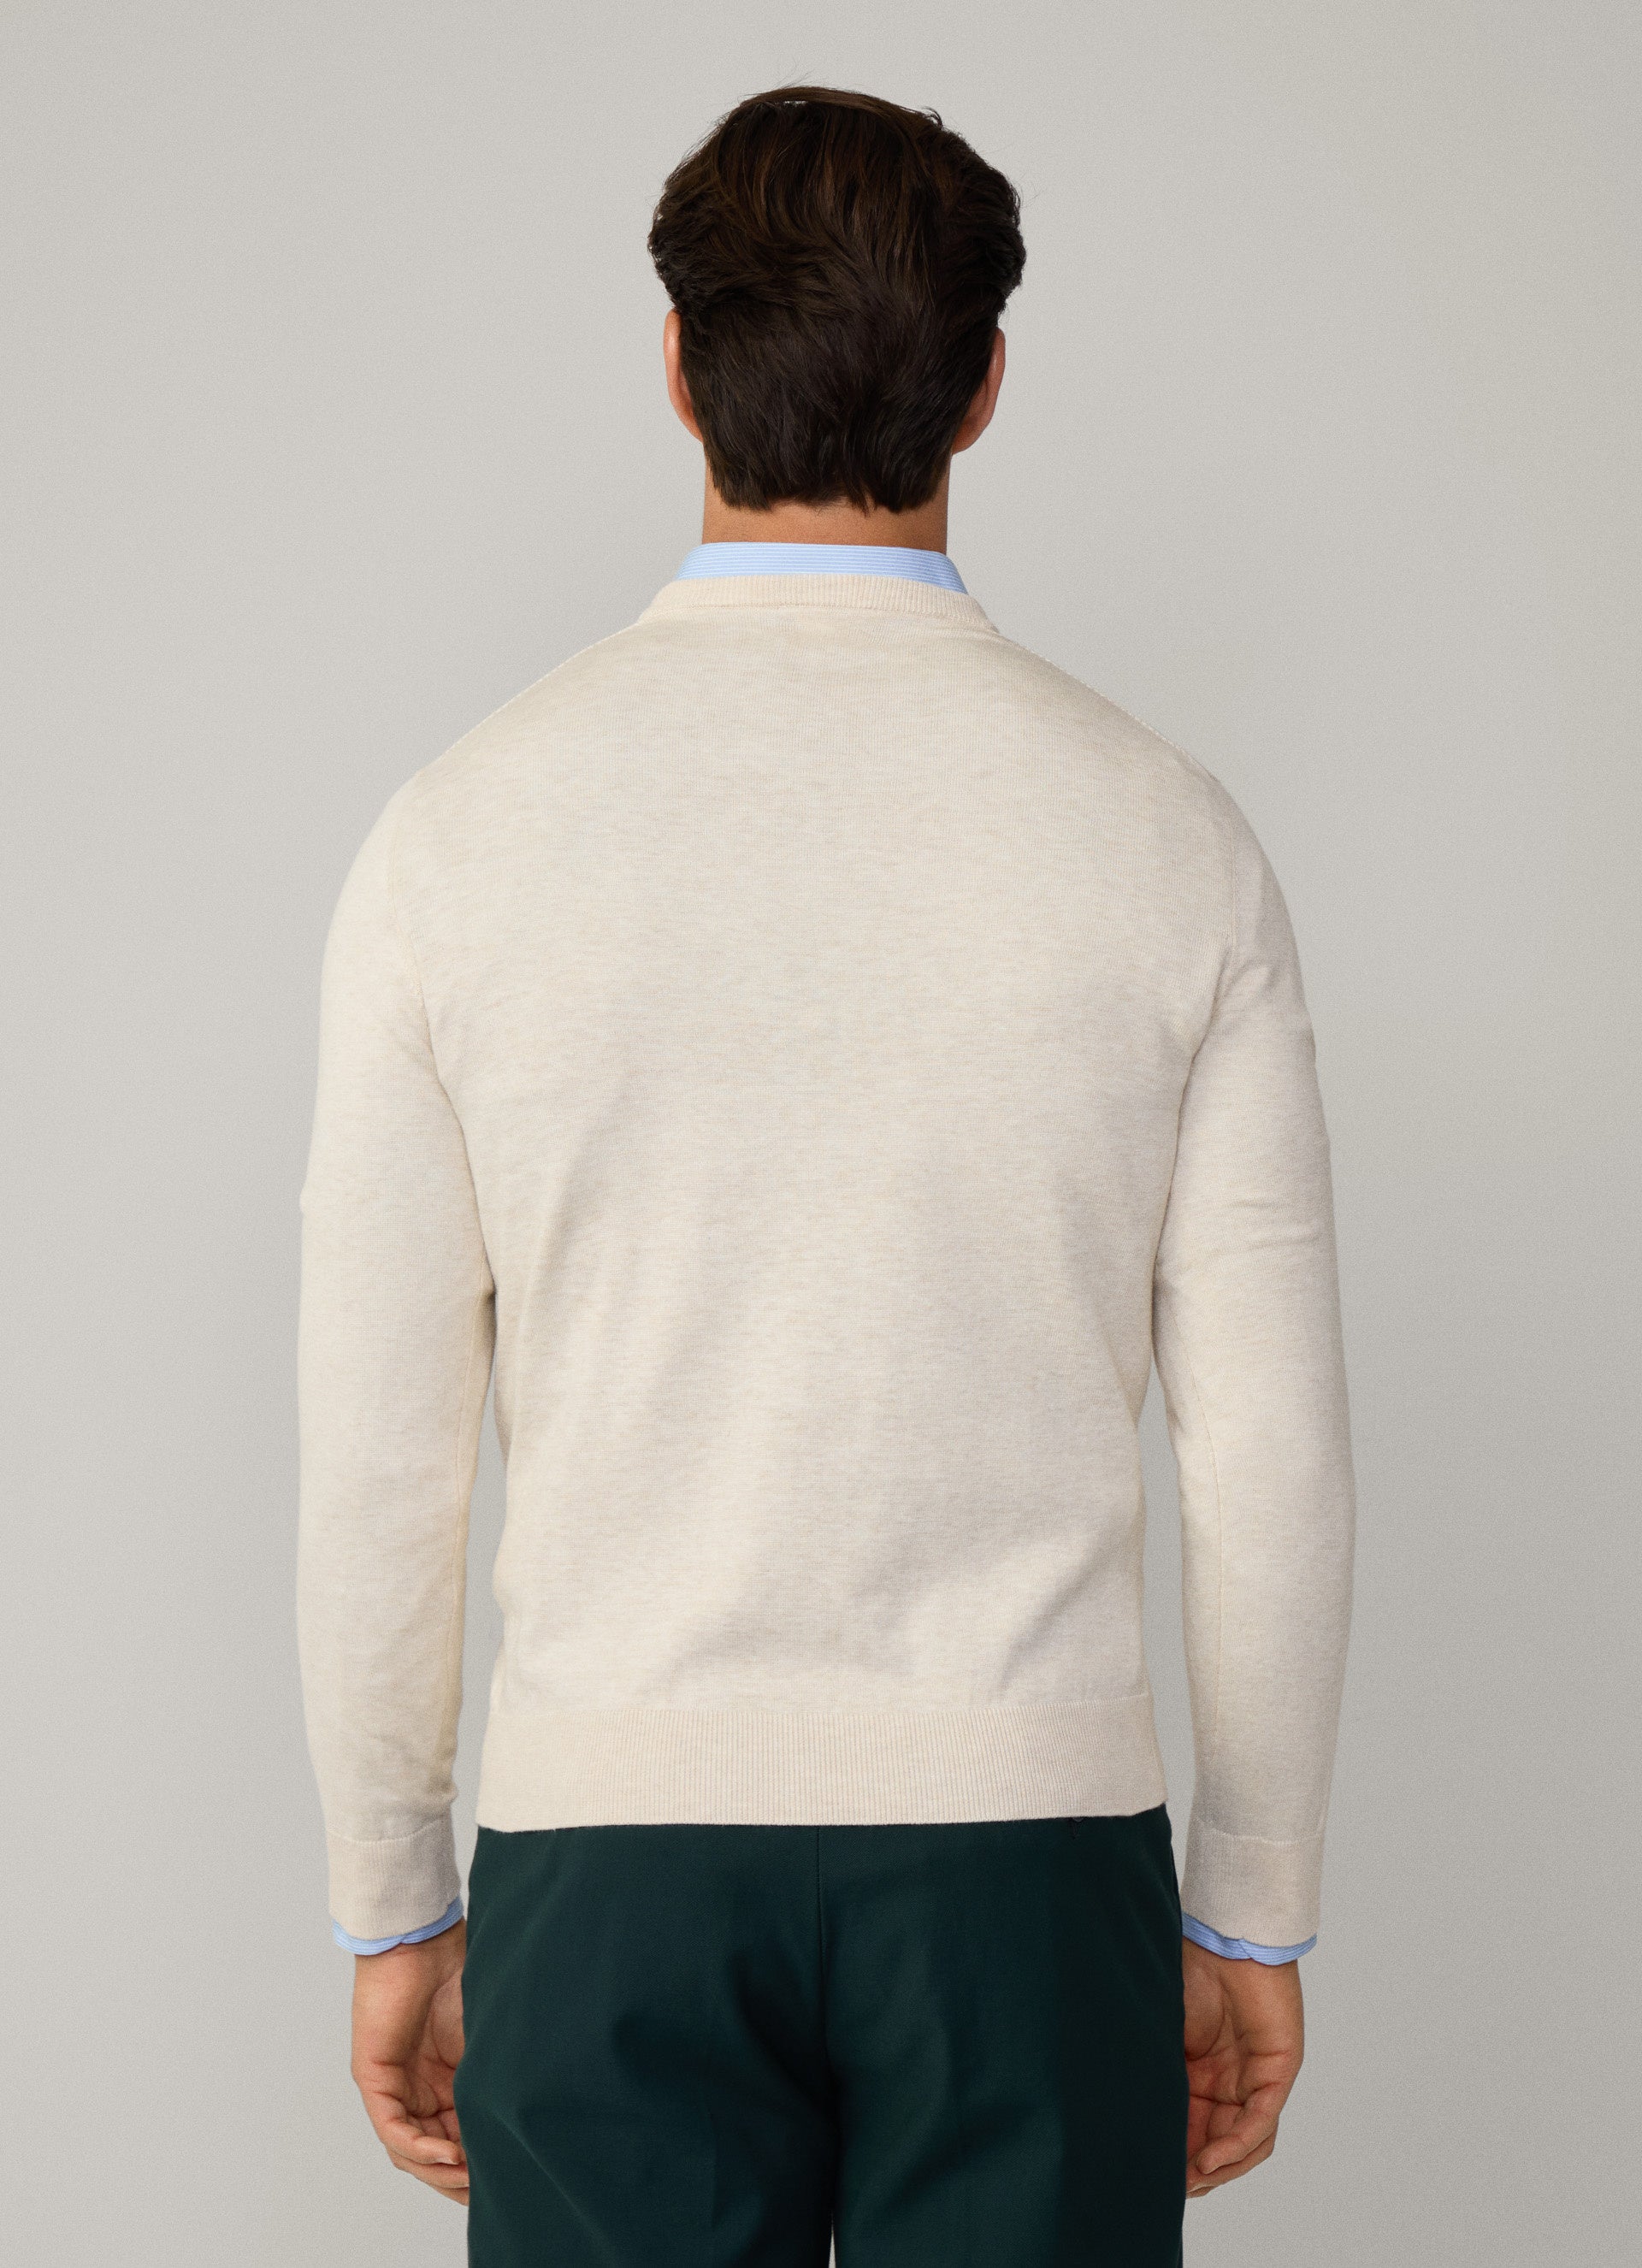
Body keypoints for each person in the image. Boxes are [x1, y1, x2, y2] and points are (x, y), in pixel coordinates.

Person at [298, 85, 1356, 2266]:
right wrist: (1251, 1906)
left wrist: (393, 1894)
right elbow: (1269, 1457)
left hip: (609, 1853)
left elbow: (380, 1451)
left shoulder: (455, 838)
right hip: (1025, 1853)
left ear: (678, 368)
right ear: (985, 384)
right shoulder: (1169, 839)